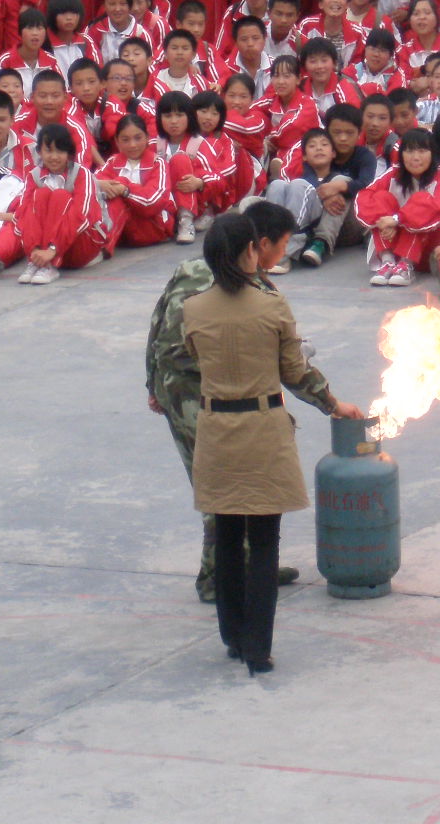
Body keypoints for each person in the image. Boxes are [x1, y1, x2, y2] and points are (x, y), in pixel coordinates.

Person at [182, 212, 360, 673]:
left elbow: (195, 359)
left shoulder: (194, 308)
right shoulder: (272, 306)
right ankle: (259, 647)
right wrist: (332, 403)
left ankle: (233, 635)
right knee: (263, 541)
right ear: (249, 251)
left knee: (225, 534)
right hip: (262, 427)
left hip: (217, 428)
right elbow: (294, 372)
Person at [144, 199, 314, 602]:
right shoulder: (249, 287)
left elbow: (154, 327)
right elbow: (278, 364)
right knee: (222, 488)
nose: (280, 256)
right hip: (200, 396)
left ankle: (251, 566)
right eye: (281, 246)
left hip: (175, 387)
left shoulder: (187, 269)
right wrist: (329, 401)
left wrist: (152, 383)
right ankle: (217, 579)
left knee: (235, 483)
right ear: (259, 245)